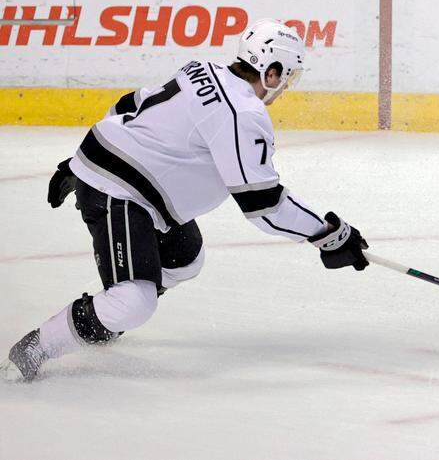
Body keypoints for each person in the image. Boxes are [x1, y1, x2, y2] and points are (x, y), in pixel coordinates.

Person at [2, 20, 371, 382]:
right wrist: (328, 234)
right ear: (271, 72)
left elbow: (131, 104)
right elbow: (264, 206)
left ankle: (105, 317)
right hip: (119, 190)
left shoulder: (203, 69)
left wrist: (80, 161)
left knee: (184, 256)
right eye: (286, 76)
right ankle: (38, 347)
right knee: (135, 302)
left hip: (126, 182)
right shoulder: (243, 113)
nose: (285, 86)